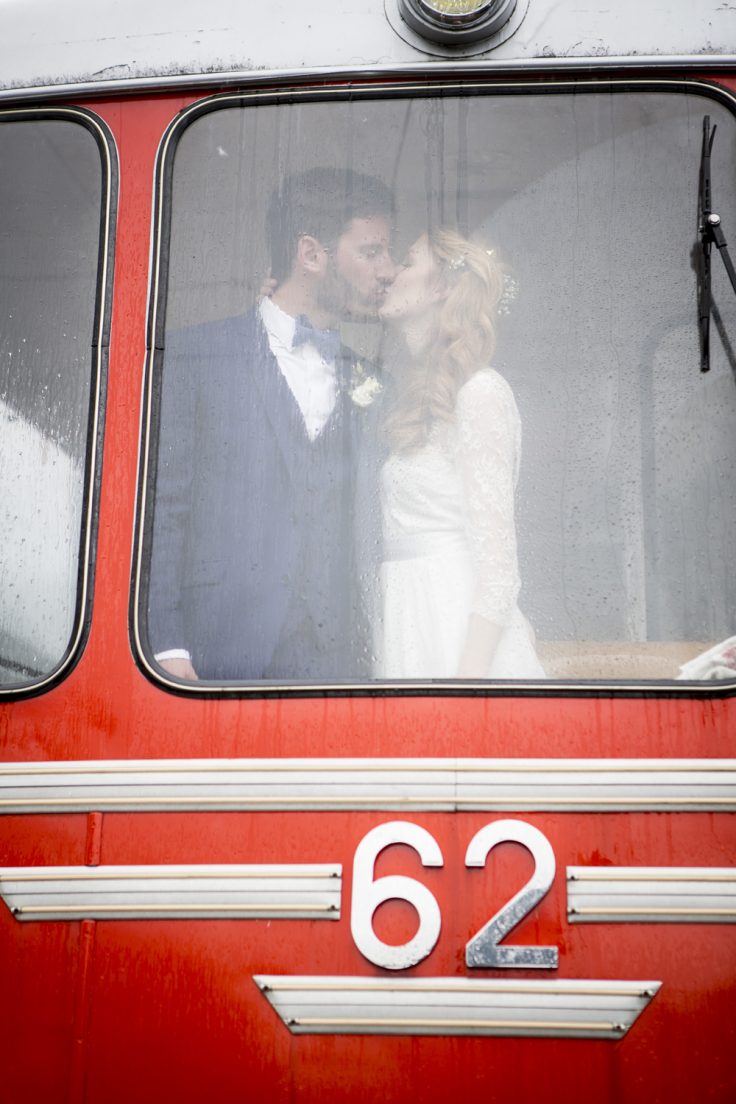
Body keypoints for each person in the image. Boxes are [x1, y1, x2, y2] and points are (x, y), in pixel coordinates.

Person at [147, 167, 395, 681]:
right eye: (372, 252)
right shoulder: (196, 357)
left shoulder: (372, 382)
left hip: (338, 669)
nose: (388, 270)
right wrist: (166, 645)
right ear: (310, 254)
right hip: (217, 654)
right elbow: (162, 512)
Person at [375, 228, 544, 679]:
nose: (390, 273)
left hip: (455, 637)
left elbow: (498, 571)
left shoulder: (480, 394)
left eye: (407, 262)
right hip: (410, 619)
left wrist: (467, 686)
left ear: (441, 287)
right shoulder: (420, 397)